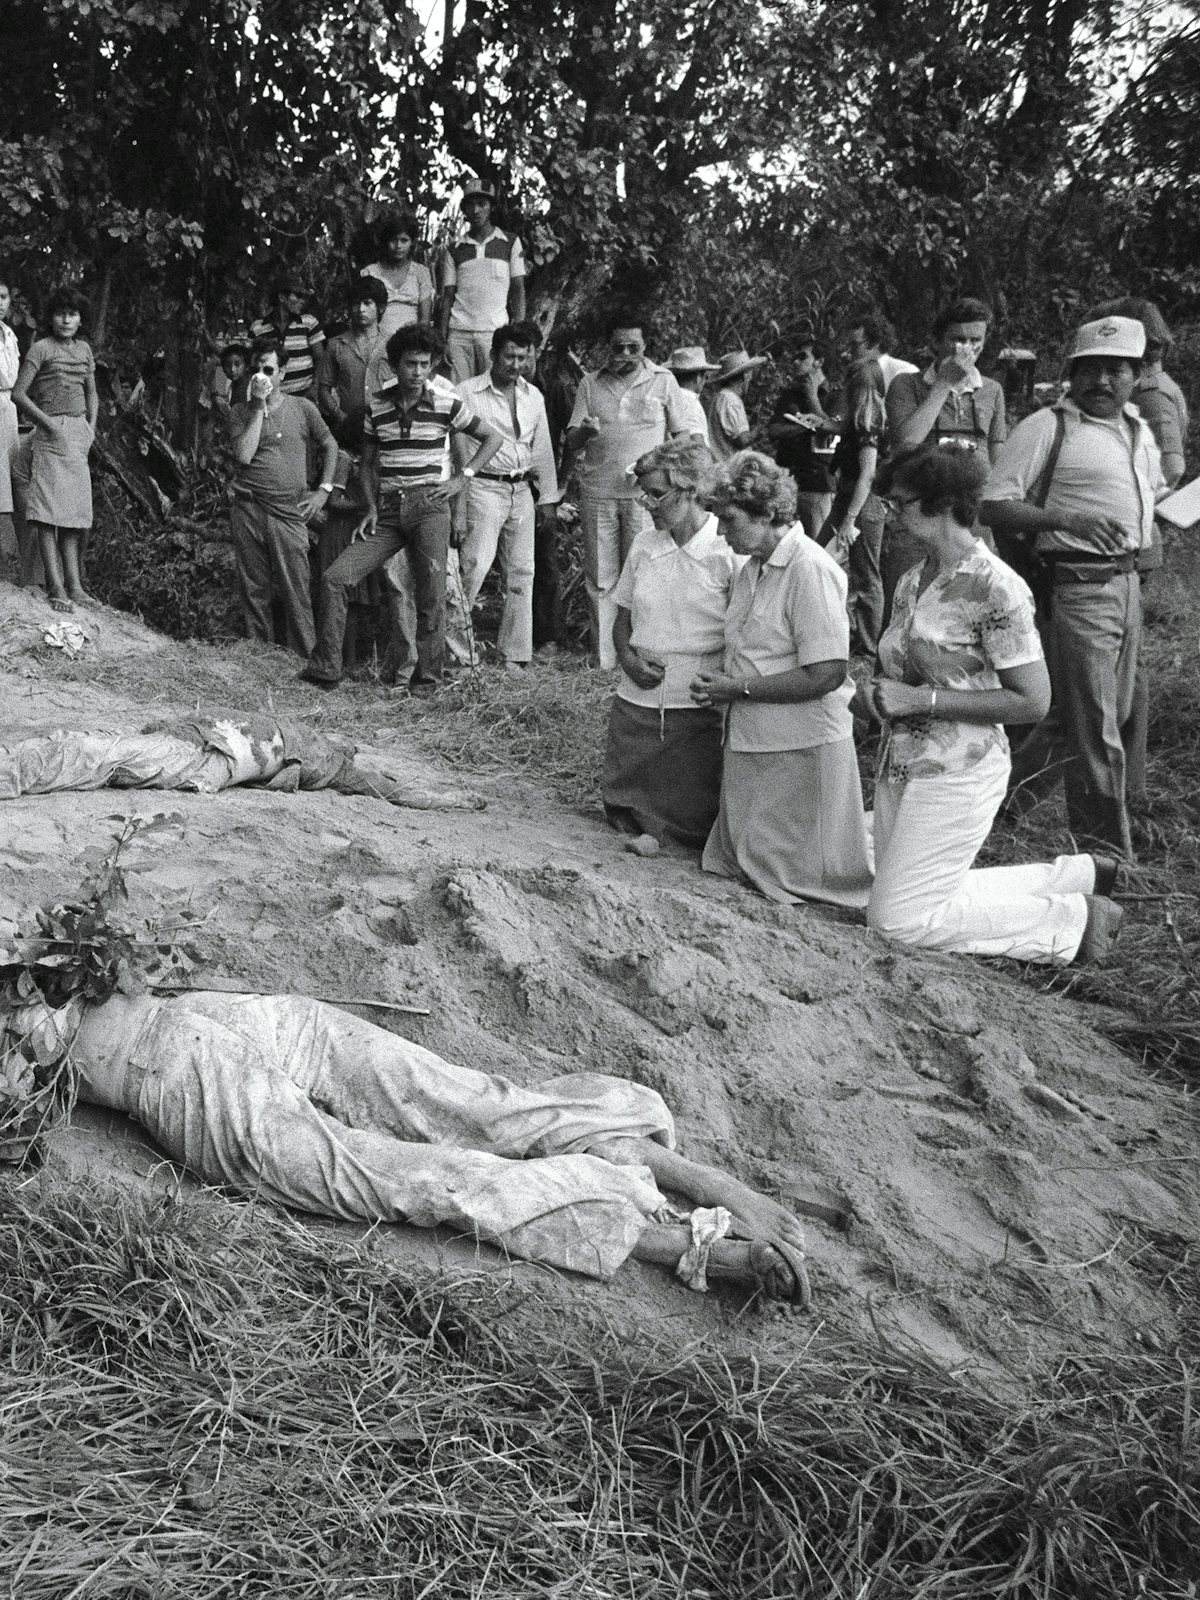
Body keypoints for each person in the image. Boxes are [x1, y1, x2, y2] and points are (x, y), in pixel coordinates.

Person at [7, 987, 806, 1299]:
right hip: (199, 1010)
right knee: (458, 1100)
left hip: (170, 1069)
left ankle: (663, 1240)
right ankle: (666, 1175)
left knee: (390, 1173)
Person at [866, 445, 1122, 964]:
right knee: (900, 898)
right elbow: (904, 671)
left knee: (897, 922)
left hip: (961, 768)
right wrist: (876, 695)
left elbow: (1033, 700)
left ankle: (1071, 922)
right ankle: (1077, 877)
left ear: (940, 504)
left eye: (898, 504)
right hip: (902, 763)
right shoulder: (916, 579)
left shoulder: (995, 587)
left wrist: (921, 698)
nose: (887, 516)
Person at [981, 315, 1166, 857]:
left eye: (1115, 371)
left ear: (1137, 374)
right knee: (1096, 725)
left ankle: (995, 805)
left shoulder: (1138, 430)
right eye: (1089, 371)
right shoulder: (1046, 427)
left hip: (1128, 584)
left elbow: (1147, 498)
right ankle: (1105, 855)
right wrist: (1066, 520)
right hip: (1077, 586)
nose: (1101, 383)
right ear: (1071, 374)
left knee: (1082, 717)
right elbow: (993, 503)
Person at [690, 451, 872, 908]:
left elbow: (828, 673)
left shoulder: (810, 569)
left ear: (769, 512)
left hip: (801, 744)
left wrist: (735, 688)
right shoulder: (752, 567)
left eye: (728, 519)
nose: (720, 531)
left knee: (804, 880)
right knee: (739, 866)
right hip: (754, 741)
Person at [302, 324, 506, 690]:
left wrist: (462, 478)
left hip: (430, 506)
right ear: (394, 365)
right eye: (410, 364)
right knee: (335, 577)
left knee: (432, 596)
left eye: (425, 364)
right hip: (390, 510)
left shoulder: (446, 402)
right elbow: (367, 463)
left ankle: (428, 682)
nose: (418, 372)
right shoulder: (377, 406)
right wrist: (369, 506)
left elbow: (492, 437)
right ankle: (326, 668)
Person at [602, 437, 736, 847]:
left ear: (692, 490)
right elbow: (621, 619)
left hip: (697, 699)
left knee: (692, 810)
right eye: (644, 493)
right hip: (639, 694)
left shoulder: (726, 548)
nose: (646, 503)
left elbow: (744, 635)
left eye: (657, 494)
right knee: (624, 803)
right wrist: (626, 658)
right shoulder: (644, 544)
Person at [1086, 296, 1188, 814]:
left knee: (1127, 670)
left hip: (1131, 546)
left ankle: (1131, 781)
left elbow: (1169, 468)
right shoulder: (1148, 389)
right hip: (1129, 542)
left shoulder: (1152, 396)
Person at [565, 315, 689, 667]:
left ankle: (644, 651)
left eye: (633, 347)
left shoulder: (663, 382)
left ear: (645, 347)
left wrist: (665, 469)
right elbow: (571, 440)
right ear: (608, 347)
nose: (625, 354)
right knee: (602, 578)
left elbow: (681, 437)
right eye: (618, 347)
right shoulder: (590, 383)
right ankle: (605, 659)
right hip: (599, 491)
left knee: (646, 573)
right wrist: (585, 432)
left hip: (645, 497)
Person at [884, 298, 1007, 614]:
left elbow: (998, 455)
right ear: (936, 342)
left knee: (972, 608)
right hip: (918, 514)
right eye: (957, 339)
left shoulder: (991, 390)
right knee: (907, 608)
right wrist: (943, 384)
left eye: (975, 340)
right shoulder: (907, 385)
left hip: (971, 518)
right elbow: (905, 444)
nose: (966, 348)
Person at [449, 322, 560, 672]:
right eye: (509, 356)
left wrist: (547, 499)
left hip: (522, 489)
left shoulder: (533, 396)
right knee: (475, 566)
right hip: (483, 486)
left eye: (523, 358)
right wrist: (460, 503)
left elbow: (541, 449)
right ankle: (456, 654)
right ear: (494, 355)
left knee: (522, 572)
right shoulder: (467, 392)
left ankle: (514, 654)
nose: (516, 364)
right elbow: (457, 451)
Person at [227, 336, 338, 656]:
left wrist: (323, 491)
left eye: (268, 369)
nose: (260, 376)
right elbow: (244, 456)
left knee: (296, 588)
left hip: (289, 510)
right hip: (247, 508)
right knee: (254, 589)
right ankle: (260, 658)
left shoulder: (303, 408)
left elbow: (331, 446)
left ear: (282, 373)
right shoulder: (239, 412)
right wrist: (258, 406)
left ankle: (303, 659)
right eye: (255, 369)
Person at [11, 285, 98, 614]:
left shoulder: (85, 350)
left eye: (72, 314)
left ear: (80, 319)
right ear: (50, 317)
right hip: (50, 432)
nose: (66, 319)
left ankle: (75, 586)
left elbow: (92, 392)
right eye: (60, 313)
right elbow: (19, 393)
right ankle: (55, 585)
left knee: (73, 517)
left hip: (78, 434)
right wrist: (48, 424)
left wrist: (92, 427)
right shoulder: (42, 348)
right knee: (48, 514)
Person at [818, 356, 888, 654]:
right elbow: (841, 428)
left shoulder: (869, 422)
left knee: (866, 575)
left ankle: (869, 644)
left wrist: (850, 519)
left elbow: (868, 474)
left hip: (863, 503)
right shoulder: (857, 419)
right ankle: (846, 630)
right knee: (819, 553)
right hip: (847, 497)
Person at [437, 179, 527, 385]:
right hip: (459, 334)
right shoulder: (455, 248)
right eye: (471, 205)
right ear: (464, 210)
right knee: (459, 395)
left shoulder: (510, 242)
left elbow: (518, 288)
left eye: (482, 204)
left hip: (495, 334)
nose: (476, 210)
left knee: (495, 391)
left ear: (492, 207)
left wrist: (519, 332)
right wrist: (442, 340)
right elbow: (448, 295)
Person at [766, 336, 839, 541]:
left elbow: (832, 428)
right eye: (795, 357)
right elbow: (774, 430)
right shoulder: (789, 395)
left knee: (818, 545)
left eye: (802, 357)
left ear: (819, 361)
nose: (795, 362)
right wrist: (806, 427)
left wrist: (813, 399)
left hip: (819, 484)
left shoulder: (836, 395)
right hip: (788, 480)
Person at [318, 278, 387, 450]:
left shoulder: (393, 343)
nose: (361, 309)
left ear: (380, 307)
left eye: (367, 303)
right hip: (348, 429)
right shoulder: (336, 345)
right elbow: (324, 389)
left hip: (385, 426)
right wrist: (340, 416)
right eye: (356, 303)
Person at [0, 271, 32, 584]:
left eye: (3, 297)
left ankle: (12, 566)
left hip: (7, 410)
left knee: (9, 481)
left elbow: (15, 381)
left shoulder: (9, 335)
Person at [362, 212, 435, 341]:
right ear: (386, 242)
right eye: (393, 240)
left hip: (412, 342)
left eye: (404, 240)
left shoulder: (421, 272)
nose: (398, 246)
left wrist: (415, 340)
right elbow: (364, 314)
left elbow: (425, 319)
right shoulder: (370, 272)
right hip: (376, 342)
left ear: (412, 243)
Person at [249, 283, 325, 400]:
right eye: (298, 295)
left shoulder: (309, 323)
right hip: (271, 400)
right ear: (282, 297)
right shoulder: (257, 328)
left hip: (305, 398)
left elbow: (321, 359)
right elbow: (252, 364)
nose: (302, 301)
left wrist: (315, 387)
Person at [706, 349, 766, 461]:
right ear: (744, 376)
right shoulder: (730, 399)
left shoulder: (721, 397)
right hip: (730, 467)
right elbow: (742, 440)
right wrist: (760, 429)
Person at [845, 312, 917, 394]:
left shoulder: (900, 374)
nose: (847, 352)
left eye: (854, 344)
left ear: (875, 343)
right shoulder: (855, 375)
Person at [663, 347, 717, 445]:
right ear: (698, 377)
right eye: (705, 376)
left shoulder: (670, 396)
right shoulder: (689, 401)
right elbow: (697, 442)